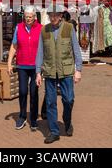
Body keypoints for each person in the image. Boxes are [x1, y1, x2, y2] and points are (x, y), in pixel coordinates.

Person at [35, 8, 82, 144]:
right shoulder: (44, 30)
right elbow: (40, 52)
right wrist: (38, 72)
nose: (53, 17)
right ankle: (54, 132)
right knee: (50, 102)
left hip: (66, 71)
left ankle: (67, 121)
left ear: (61, 16)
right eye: (51, 15)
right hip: (50, 70)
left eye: (56, 15)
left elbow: (76, 49)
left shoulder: (69, 28)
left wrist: (78, 69)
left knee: (68, 100)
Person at [7, 6, 42, 131]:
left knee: (33, 93)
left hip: (35, 66)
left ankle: (33, 119)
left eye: (30, 17)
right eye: (26, 16)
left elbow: (45, 48)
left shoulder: (40, 28)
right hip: (22, 65)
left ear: (35, 17)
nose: (28, 19)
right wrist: (9, 63)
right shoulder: (18, 27)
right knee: (22, 92)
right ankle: (22, 117)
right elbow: (14, 46)